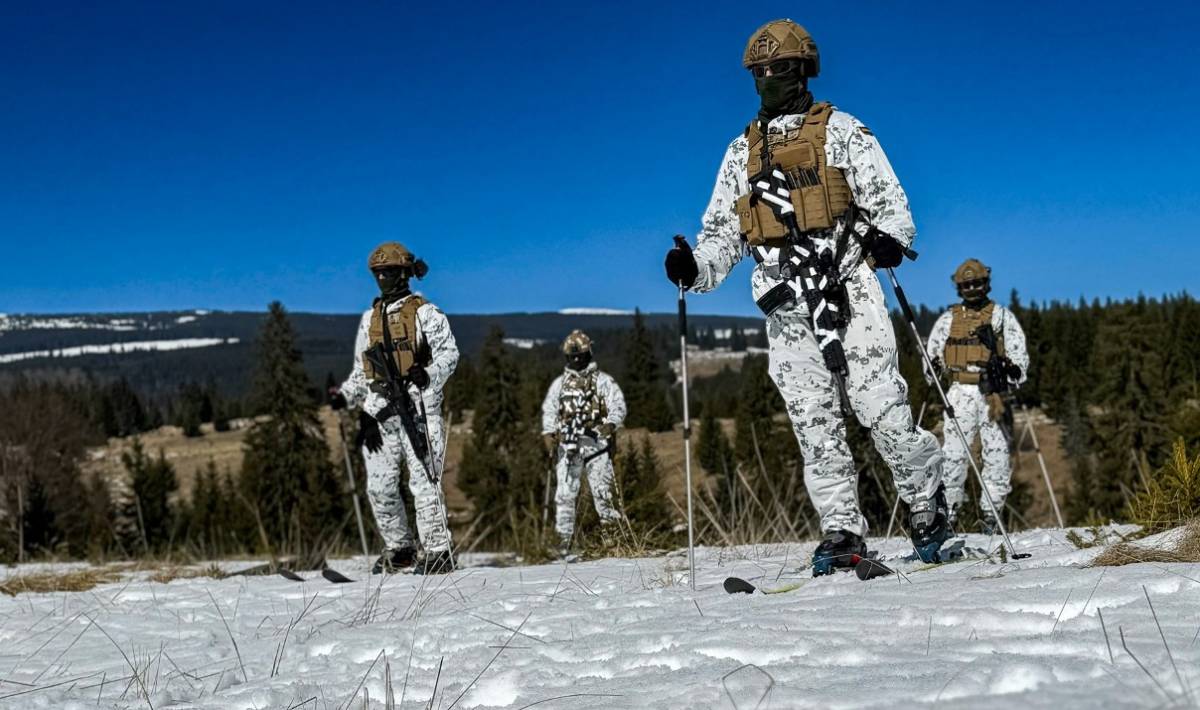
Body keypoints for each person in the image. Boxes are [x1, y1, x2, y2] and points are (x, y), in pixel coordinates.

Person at [663, 19, 952, 571]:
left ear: (803, 72)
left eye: (781, 70)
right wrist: (693, 267)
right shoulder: (739, 154)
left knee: (880, 410)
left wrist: (891, 239)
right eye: (760, 72)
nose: (770, 79)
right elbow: (723, 235)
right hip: (785, 304)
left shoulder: (844, 131)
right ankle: (842, 530)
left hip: (848, 288)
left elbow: (891, 203)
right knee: (815, 424)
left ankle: (926, 503)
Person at [331, 242, 459, 574]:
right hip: (379, 413)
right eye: (378, 273)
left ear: (404, 273)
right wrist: (346, 398)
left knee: (424, 481)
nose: (383, 278)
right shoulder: (369, 318)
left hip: (419, 410)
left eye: (388, 272)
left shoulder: (426, 313)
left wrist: (427, 374)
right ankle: (400, 548)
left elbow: (450, 354)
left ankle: (437, 551)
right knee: (380, 486)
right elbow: (362, 371)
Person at [924, 258, 1029, 532]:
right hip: (959, 391)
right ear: (959, 287)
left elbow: (1019, 357)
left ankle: (991, 516)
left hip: (992, 392)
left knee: (997, 454)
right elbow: (932, 356)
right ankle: (950, 513)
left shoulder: (1002, 317)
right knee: (953, 455)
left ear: (986, 283)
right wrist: (933, 368)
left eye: (977, 283)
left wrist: (1011, 370)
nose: (972, 288)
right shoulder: (948, 320)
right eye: (966, 284)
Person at [540, 330, 627, 556]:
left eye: (580, 355)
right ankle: (563, 542)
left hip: (596, 444)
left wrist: (611, 424)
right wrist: (549, 433)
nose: (577, 360)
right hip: (568, 447)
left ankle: (613, 539)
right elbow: (550, 410)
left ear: (589, 353)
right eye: (572, 356)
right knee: (565, 494)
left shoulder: (603, 381)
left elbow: (617, 405)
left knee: (603, 491)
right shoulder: (559, 385)